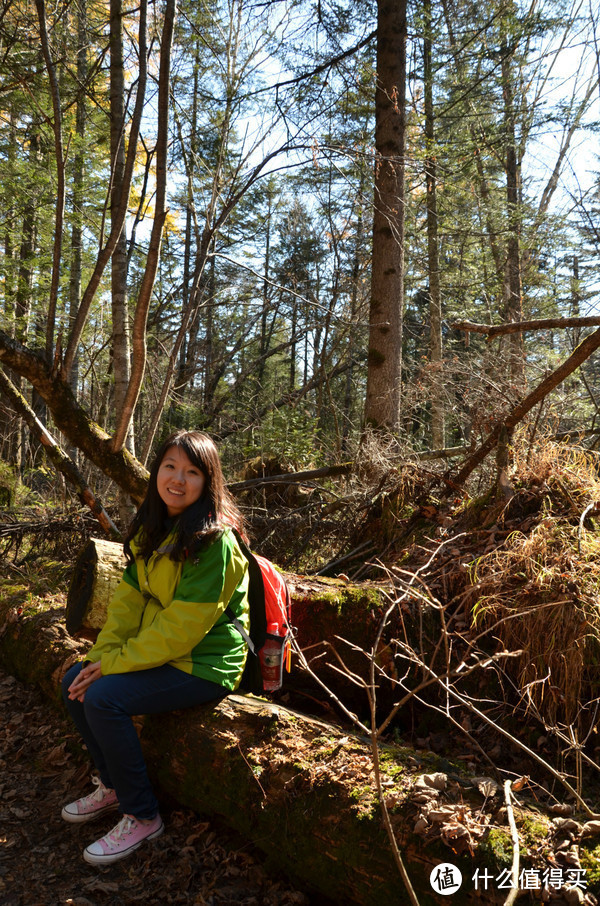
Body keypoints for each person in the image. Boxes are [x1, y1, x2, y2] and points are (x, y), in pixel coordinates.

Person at [61, 430, 250, 865]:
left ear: (208, 481)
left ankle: (142, 815)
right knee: (76, 681)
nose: (178, 480)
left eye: (192, 472)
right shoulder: (152, 531)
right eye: (170, 467)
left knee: (105, 699)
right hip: (167, 654)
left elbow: (181, 630)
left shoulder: (215, 542)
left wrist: (114, 666)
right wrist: (98, 658)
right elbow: (126, 610)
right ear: (156, 472)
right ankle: (112, 787)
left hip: (205, 662)